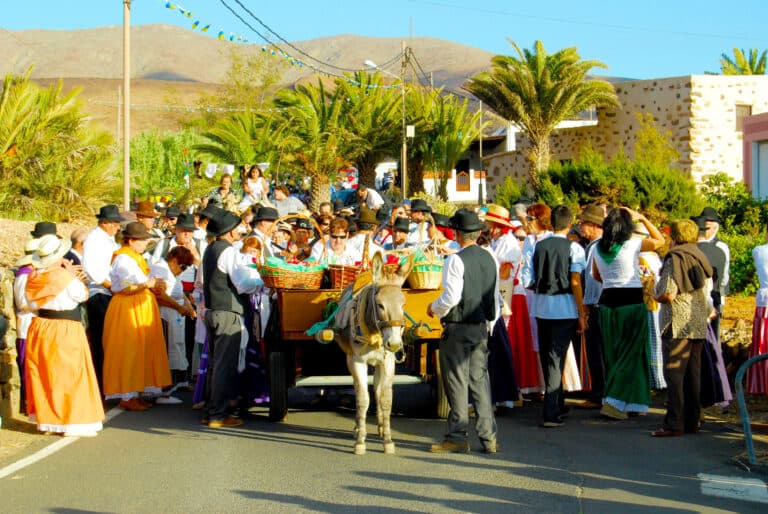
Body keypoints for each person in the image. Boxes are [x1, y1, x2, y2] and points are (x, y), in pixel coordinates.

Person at [427, 208, 498, 453]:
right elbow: (494, 297)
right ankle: (489, 437)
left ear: (457, 234)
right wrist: (490, 323)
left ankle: (457, 436)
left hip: (458, 326)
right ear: (478, 233)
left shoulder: (454, 259)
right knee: (479, 380)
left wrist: (433, 309)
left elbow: (451, 297)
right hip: (481, 326)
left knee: (456, 381)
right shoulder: (491, 257)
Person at [24, 235, 105, 436]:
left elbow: (31, 304)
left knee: (45, 374)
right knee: (70, 374)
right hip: (64, 327)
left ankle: (48, 421)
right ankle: (70, 421)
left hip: (41, 326)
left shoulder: (33, 278)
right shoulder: (63, 278)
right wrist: (72, 276)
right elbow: (81, 295)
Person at [592, 207, 664, 420]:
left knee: (614, 353)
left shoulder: (597, 247)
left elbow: (596, 276)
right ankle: (613, 401)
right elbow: (659, 241)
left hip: (607, 302)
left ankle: (633, 402)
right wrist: (642, 217)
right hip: (631, 302)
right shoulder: (633, 244)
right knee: (633, 353)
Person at [527, 205, 587, 427]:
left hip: (542, 307)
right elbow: (575, 282)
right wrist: (581, 313)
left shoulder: (538, 246)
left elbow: (531, 279)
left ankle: (558, 403)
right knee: (556, 358)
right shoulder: (575, 249)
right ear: (569, 224)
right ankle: (551, 411)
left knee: (548, 357)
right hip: (564, 308)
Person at [102, 222, 172, 411]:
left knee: (140, 349)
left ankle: (135, 391)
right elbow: (126, 286)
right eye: (142, 241)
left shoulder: (134, 258)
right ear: (131, 241)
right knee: (129, 349)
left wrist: (152, 284)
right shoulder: (124, 260)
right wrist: (148, 284)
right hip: (128, 307)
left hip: (138, 306)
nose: (145, 244)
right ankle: (127, 395)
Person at [202, 211, 263, 428]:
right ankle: (218, 415)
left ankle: (211, 410)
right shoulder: (228, 251)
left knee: (215, 363)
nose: (241, 230)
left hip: (213, 310)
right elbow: (243, 284)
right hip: (227, 311)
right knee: (224, 365)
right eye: (237, 227)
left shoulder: (210, 249)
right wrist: (260, 280)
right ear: (228, 231)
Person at [653, 219, 713, 436]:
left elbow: (668, 293)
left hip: (677, 322)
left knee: (675, 375)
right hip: (696, 321)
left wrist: (653, 292)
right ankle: (692, 420)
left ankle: (673, 423)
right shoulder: (699, 255)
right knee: (692, 375)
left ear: (674, 237)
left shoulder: (675, 259)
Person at [82, 204, 124, 391]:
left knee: (110, 341)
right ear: (105, 223)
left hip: (109, 292)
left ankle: (108, 383)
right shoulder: (94, 239)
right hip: (100, 293)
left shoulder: (107, 239)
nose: (117, 226)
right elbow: (92, 268)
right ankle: (101, 385)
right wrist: (110, 285)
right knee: (102, 340)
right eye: (115, 223)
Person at [149, 245, 196, 400]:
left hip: (176, 313)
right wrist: (178, 307)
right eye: (183, 267)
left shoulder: (172, 272)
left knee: (177, 346)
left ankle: (175, 384)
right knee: (168, 348)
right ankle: (163, 389)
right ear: (174, 261)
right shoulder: (161, 269)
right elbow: (159, 295)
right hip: (165, 314)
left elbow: (179, 291)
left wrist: (188, 306)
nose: (183, 271)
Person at [574, 205, 606, 409]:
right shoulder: (596, 245)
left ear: (594, 225)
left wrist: (585, 307)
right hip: (600, 303)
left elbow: (592, 280)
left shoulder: (595, 247)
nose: (580, 227)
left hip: (596, 304)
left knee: (597, 351)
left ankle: (599, 394)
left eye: (583, 223)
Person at [699, 207, 730, 342]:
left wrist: (722, 295)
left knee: (713, 337)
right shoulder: (696, 244)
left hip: (715, 295)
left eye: (707, 227)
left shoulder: (721, 246)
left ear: (715, 228)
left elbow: (724, 275)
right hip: (698, 296)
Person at [748, 226, 768, 395]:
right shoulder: (759, 250)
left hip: (764, 301)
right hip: (764, 300)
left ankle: (761, 385)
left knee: (763, 342)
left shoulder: (759, 250)